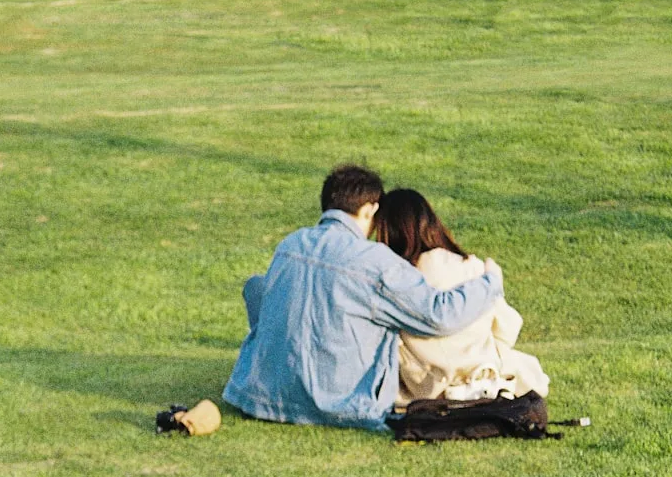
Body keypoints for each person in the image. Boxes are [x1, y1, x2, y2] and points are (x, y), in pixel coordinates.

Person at [223, 165, 505, 431]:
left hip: (261, 399)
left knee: (258, 285)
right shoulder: (374, 261)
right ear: (371, 209)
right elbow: (438, 314)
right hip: (343, 407)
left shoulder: (290, 245)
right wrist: (489, 281)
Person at [372, 188, 549, 407]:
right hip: (481, 372)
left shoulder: (394, 281)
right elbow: (507, 326)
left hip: (427, 386)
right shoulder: (472, 269)